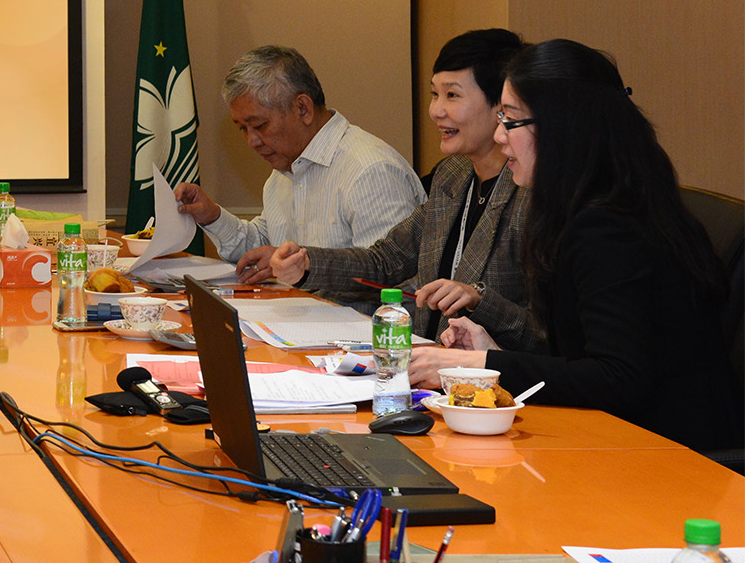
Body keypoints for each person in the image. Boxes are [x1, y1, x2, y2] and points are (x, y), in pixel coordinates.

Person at [411, 40, 743, 452]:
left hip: (668, 455)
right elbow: (580, 359)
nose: (499, 136)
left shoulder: (609, 226)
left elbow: (618, 378)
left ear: (561, 126)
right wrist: (490, 354)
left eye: (510, 120)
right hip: (614, 439)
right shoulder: (586, 205)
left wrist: (476, 364)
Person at [248, 29, 547, 350]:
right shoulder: (453, 175)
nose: (436, 110)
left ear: (500, 106)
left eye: (452, 95)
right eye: (434, 94)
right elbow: (386, 262)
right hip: (427, 359)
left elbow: (545, 334)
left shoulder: (533, 194)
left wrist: (479, 300)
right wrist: (307, 263)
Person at [173, 45, 424, 274]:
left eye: (259, 125)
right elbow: (263, 248)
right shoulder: (284, 172)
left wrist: (302, 269)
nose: (252, 141)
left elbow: (387, 278)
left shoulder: (370, 171)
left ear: (302, 108)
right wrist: (212, 216)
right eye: (242, 129)